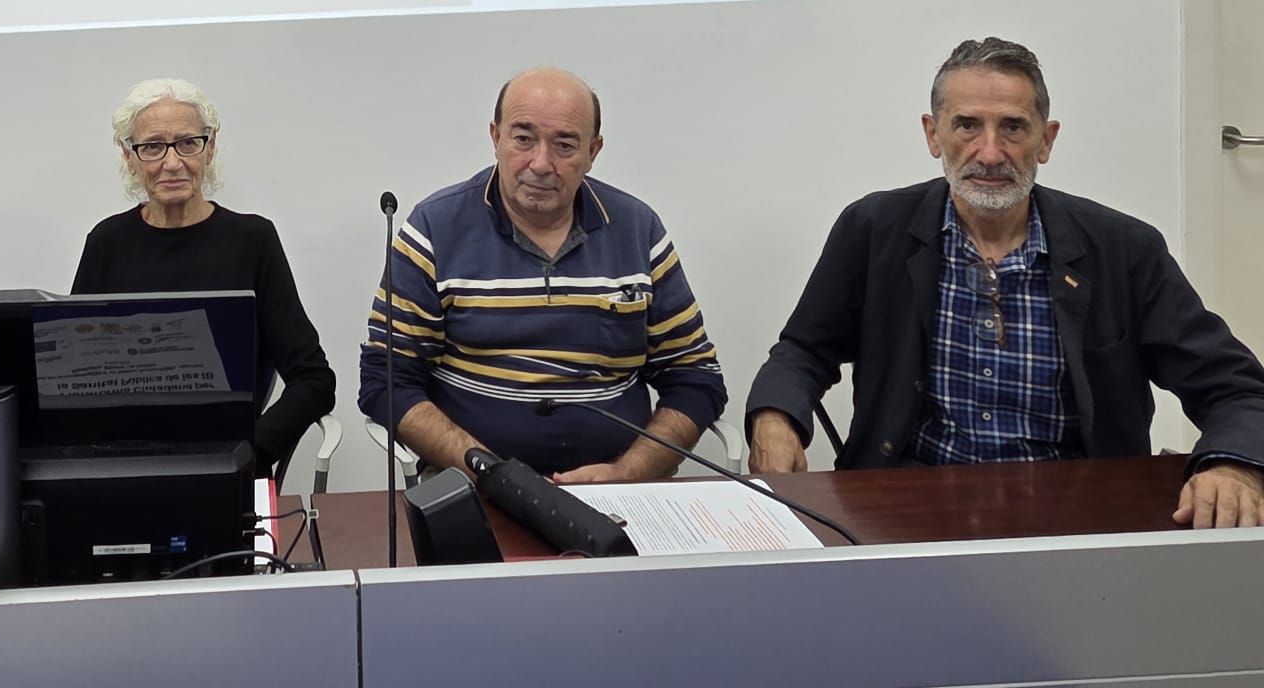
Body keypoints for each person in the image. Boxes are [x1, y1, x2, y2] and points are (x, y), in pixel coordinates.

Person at [746, 37, 1264, 529]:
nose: (990, 154)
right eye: (967, 126)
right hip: (902, 508)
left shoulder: (1123, 249)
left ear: (1046, 139)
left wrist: (1234, 465)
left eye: (1013, 128)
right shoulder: (873, 229)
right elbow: (802, 351)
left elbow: (1237, 390)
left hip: (1082, 517)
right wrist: (775, 418)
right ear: (933, 134)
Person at [358, 68, 726, 481]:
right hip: (474, 489)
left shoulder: (639, 230)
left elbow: (694, 376)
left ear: (594, 151)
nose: (541, 163)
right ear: (495, 137)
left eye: (565, 145)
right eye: (523, 138)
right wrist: (489, 471)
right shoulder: (434, 229)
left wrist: (629, 472)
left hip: (622, 493)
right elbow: (386, 380)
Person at [72, 78, 334, 479]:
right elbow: (73, 382)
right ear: (129, 156)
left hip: (227, 465)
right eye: (153, 147)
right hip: (122, 465)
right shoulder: (107, 242)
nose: (172, 163)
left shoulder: (252, 240)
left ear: (210, 148)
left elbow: (314, 379)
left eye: (188, 143)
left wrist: (253, 451)